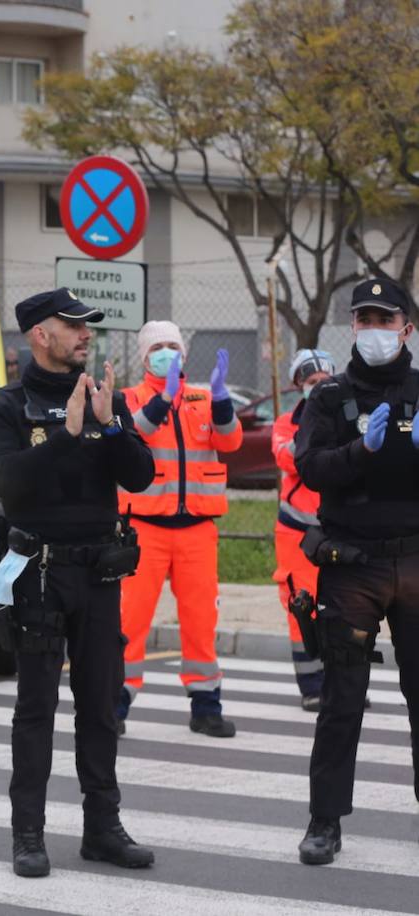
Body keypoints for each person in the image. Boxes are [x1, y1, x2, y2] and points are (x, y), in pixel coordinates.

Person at [0, 288, 156, 878]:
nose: (86, 335)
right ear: (40, 334)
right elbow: (7, 481)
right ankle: (28, 834)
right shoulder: (6, 404)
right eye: (74, 325)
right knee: (36, 707)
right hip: (40, 574)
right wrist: (64, 435)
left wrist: (110, 427)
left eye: (88, 327)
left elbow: (141, 477)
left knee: (100, 706)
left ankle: (103, 828)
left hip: (99, 573)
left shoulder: (107, 398)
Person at [293, 277, 419, 866]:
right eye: (364, 319)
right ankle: (325, 821)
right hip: (352, 564)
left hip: (416, 559)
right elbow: (311, 469)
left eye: (384, 320)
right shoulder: (328, 397)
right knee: (342, 700)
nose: (373, 330)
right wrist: (360, 451)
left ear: (406, 329)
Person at [117, 321, 242, 738]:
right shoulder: (130, 398)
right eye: (158, 348)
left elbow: (231, 442)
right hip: (144, 529)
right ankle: (114, 705)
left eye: (173, 345)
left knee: (201, 621)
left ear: (184, 354)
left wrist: (221, 400)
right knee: (129, 621)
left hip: (197, 530)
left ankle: (206, 707)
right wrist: (162, 400)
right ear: (144, 356)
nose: (166, 353)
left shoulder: (203, 399)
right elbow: (130, 435)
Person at [272, 349, 335, 709]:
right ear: (299, 385)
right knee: (302, 605)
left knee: (345, 608)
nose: (319, 387)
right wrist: (315, 426)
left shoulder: (347, 417)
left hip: (339, 530)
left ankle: (343, 683)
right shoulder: (286, 423)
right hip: (297, 533)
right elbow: (288, 458)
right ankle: (312, 686)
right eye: (312, 382)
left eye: (325, 381)